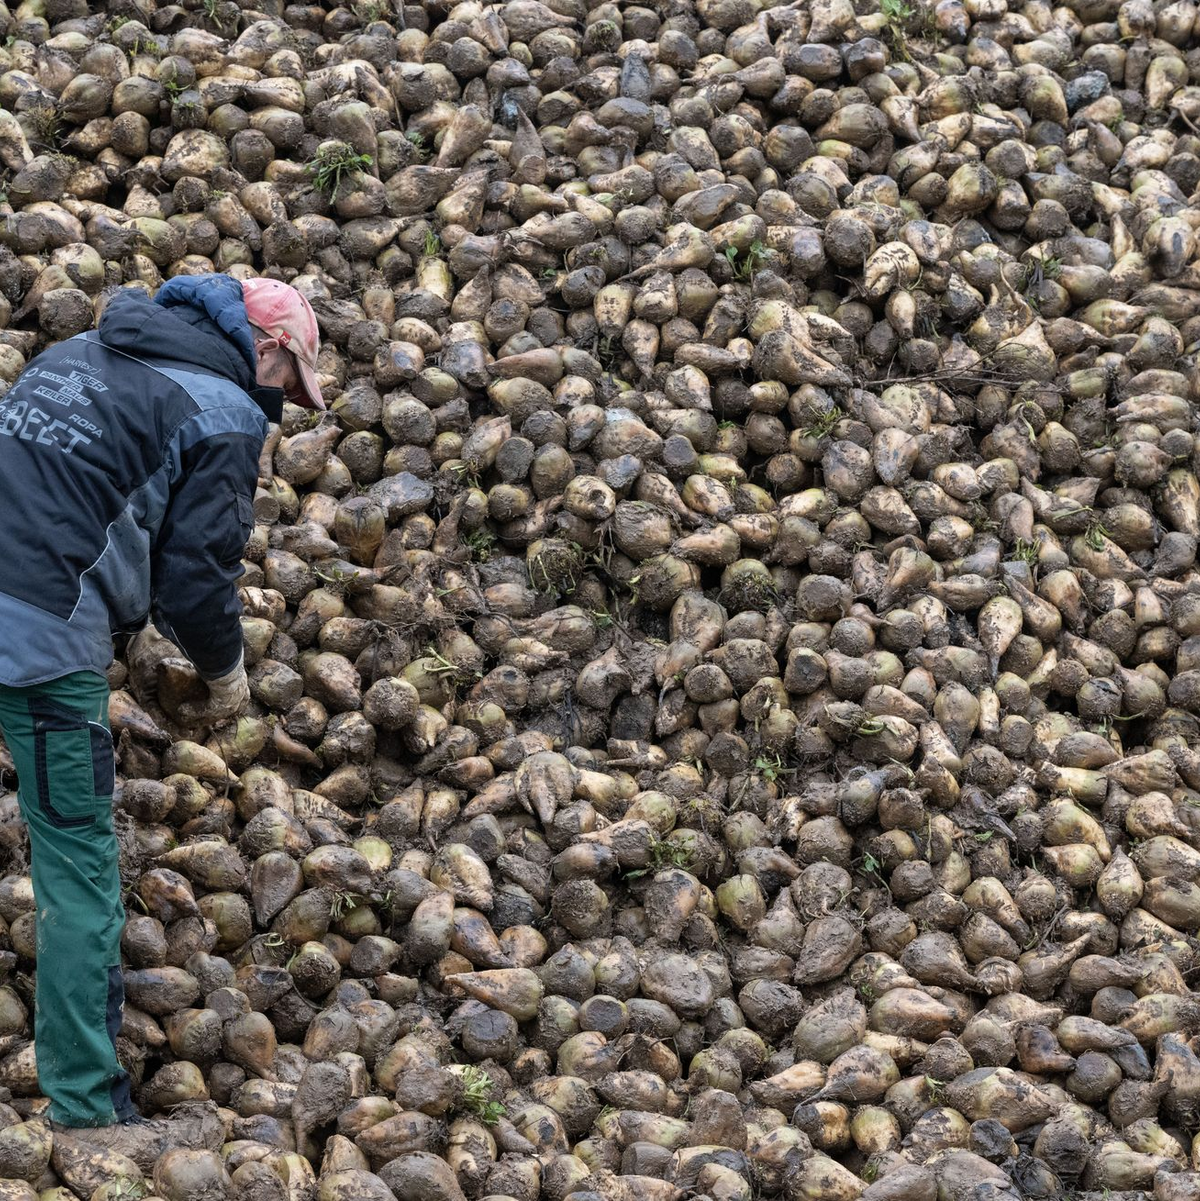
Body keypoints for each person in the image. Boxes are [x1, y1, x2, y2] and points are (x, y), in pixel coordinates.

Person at [0, 272, 324, 1160]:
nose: (283, 406)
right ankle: (84, 1109)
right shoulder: (225, 409)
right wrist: (225, 674)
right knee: (78, 877)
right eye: (289, 386)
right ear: (268, 350)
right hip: (38, 648)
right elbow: (195, 580)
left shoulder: (70, 355)